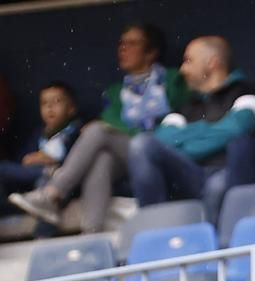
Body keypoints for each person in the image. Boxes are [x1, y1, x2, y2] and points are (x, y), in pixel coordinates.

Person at [8, 24, 187, 233]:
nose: (122, 48)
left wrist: (117, 129)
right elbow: (111, 123)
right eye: (121, 43)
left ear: (152, 51)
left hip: (165, 152)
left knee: (96, 131)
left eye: (131, 43)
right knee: (102, 158)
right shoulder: (115, 92)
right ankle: (91, 236)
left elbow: (176, 117)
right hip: (130, 154)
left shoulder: (173, 80)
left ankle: (53, 193)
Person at [126, 36, 255, 220]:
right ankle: (155, 230)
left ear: (213, 63)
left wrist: (185, 141)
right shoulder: (186, 105)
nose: (182, 70)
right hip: (191, 176)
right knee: (141, 145)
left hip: (231, 177)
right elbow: (162, 140)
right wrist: (211, 131)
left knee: (217, 184)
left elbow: (236, 130)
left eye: (188, 61)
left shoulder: (249, 91)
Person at [0, 82, 80, 228]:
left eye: (56, 101)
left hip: (60, 182)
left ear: (71, 108)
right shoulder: (39, 133)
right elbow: (22, 161)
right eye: (44, 103)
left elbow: (76, 163)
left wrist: (52, 159)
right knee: (3, 168)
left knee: (44, 186)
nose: (50, 108)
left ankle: (43, 235)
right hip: (35, 176)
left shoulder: (76, 131)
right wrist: (36, 159)